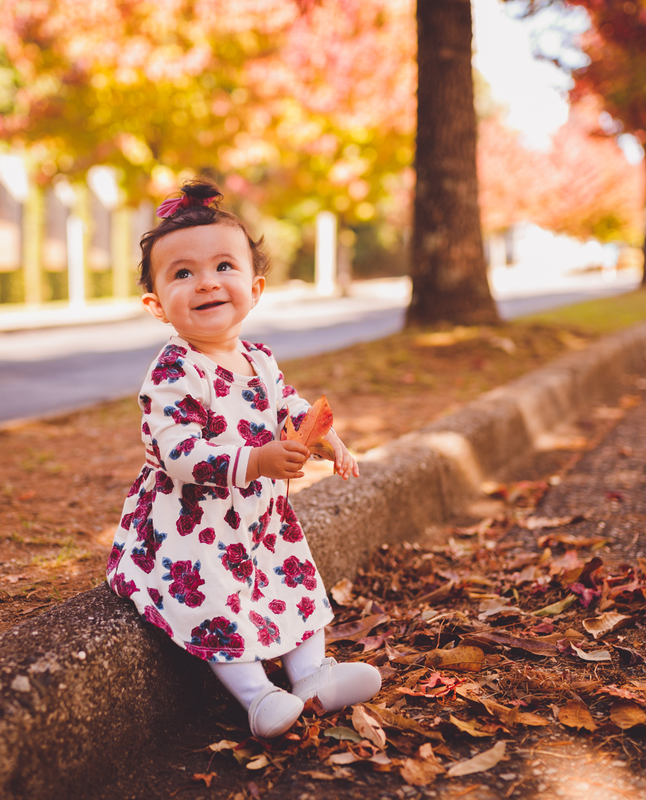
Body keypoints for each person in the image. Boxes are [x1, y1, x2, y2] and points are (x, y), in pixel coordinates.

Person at [106, 178, 381, 738]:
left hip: (257, 519)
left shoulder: (259, 357)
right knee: (212, 596)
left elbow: (289, 406)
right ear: (157, 305)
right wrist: (254, 463)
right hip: (189, 528)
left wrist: (325, 439)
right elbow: (175, 449)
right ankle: (256, 696)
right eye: (182, 273)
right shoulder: (174, 371)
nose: (205, 282)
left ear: (254, 288)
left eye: (222, 267)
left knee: (294, 581)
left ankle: (312, 676)